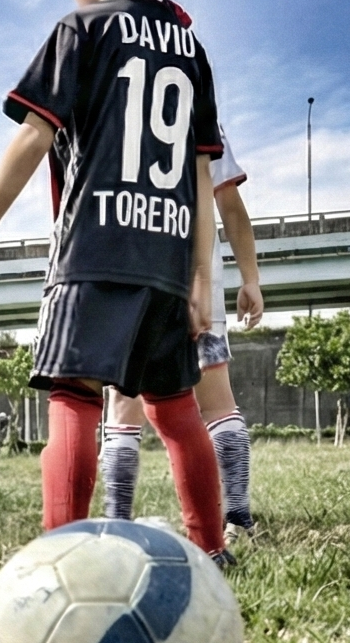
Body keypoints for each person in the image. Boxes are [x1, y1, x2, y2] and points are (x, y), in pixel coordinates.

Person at [0, 0, 227, 556]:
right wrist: (200, 282)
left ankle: (59, 552)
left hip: (94, 251)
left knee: (72, 397)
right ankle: (212, 548)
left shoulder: (82, 29)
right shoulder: (190, 50)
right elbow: (199, 174)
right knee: (177, 411)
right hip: (164, 259)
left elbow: (31, 139)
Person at [102, 126, 265, 530]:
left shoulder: (110, 102)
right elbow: (230, 205)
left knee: (124, 410)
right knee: (218, 405)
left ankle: (116, 523)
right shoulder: (200, 111)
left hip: (126, 281)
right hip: (197, 284)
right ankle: (238, 518)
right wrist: (251, 278)